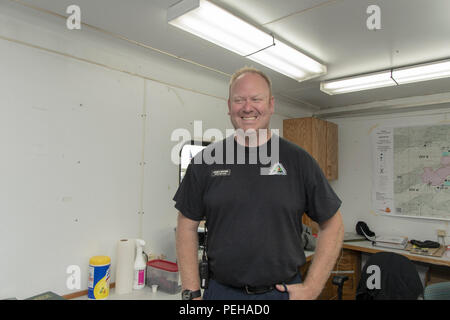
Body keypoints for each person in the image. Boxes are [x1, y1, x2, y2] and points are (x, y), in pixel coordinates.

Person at [174, 67, 344, 300]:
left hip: (281, 293)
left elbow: (333, 225)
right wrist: (191, 292)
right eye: (239, 100)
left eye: (256, 99)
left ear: (271, 105)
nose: (247, 107)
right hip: (221, 293)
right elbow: (186, 225)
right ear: (229, 106)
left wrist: (312, 288)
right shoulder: (205, 161)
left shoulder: (298, 161)